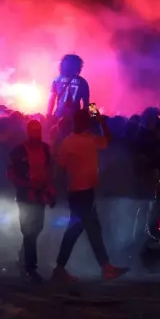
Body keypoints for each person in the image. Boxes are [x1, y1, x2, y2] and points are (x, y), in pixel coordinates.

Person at [53, 109, 128, 282]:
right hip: (81, 193)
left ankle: (63, 268)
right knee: (88, 230)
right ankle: (104, 268)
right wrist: (100, 121)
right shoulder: (82, 140)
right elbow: (108, 139)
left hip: (80, 192)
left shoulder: (71, 141)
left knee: (83, 230)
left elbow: (60, 170)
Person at [7, 120, 55, 283]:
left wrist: (49, 189)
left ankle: (23, 258)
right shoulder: (18, 151)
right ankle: (30, 268)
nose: (36, 135)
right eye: (33, 131)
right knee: (28, 230)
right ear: (28, 132)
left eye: (38, 131)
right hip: (25, 196)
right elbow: (11, 174)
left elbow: (48, 170)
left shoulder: (45, 149)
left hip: (40, 194)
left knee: (37, 228)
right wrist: (26, 186)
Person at [47, 54, 89, 122]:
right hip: (75, 119)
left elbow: (51, 100)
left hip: (59, 117)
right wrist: (94, 117)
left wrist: (48, 115)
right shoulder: (83, 82)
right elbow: (87, 103)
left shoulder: (57, 80)